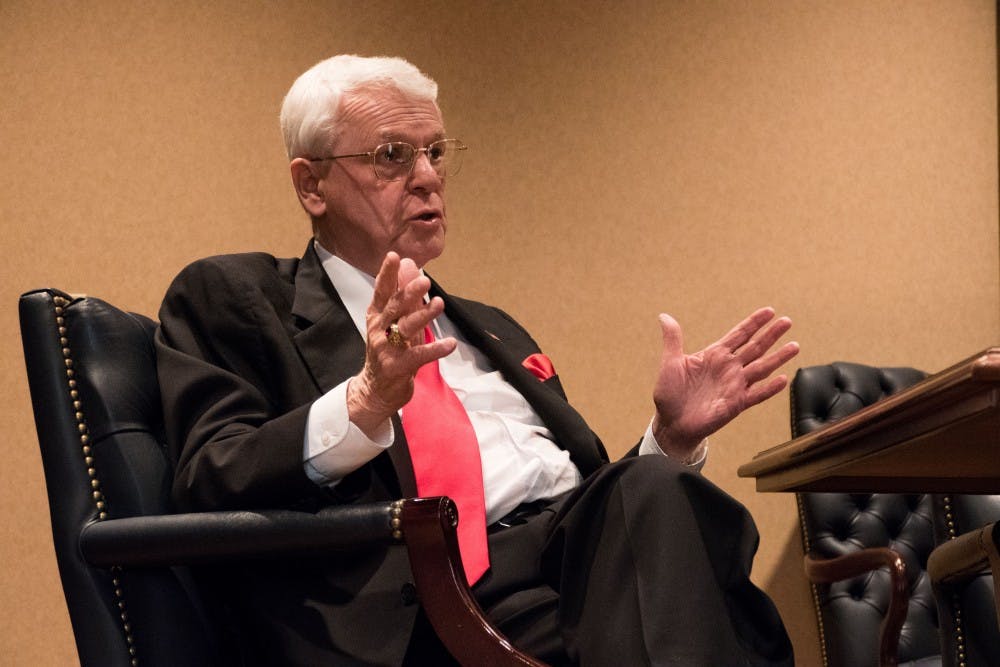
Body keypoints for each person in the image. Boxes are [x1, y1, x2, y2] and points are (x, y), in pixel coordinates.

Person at [155, 54, 799, 666]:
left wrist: (669, 439)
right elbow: (210, 478)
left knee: (667, 500)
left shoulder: (494, 328)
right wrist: (365, 401)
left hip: (572, 579)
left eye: (435, 152)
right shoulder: (234, 296)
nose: (429, 175)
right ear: (311, 184)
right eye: (392, 156)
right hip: (429, 599)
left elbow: (613, 512)